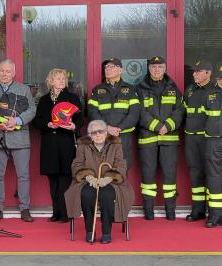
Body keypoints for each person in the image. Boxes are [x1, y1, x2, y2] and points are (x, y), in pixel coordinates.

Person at [65, 120, 134, 244]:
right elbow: (76, 164)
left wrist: (108, 178)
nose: (97, 135)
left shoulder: (116, 144)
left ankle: (106, 232)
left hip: (111, 182)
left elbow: (121, 164)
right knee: (87, 195)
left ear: (106, 132)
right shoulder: (83, 145)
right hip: (88, 181)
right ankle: (90, 231)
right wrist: (88, 177)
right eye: (93, 132)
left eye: (100, 131)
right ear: (90, 135)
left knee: (106, 195)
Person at [0, 59, 36, 222]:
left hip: (20, 138)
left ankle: (25, 208)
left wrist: (17, 121)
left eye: (7, 71)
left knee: (23, 175)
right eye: (1, 71)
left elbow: (32, 110)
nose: (4, 74)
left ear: (14, 73)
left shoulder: (24, 89)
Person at [136, 56, 185, 221]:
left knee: (170, 176)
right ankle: (148, 211)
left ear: (165, 68)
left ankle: (170, 210)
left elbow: (180, 111)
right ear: (149, 69)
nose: (156, 69)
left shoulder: (173, 88)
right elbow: (139, 112)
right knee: (148, 177)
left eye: (160, 67)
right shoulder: (140, 89)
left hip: (169, 139)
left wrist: (168, 126)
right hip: (148, 139)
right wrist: (157, 126)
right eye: (153, 67)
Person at [32, 68, 83, 223]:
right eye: (58, 78)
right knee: (52, 180)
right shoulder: (44, 100)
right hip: (49, 146)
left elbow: (80, 119)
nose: (61, 81)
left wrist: (74, 126)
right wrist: (47, 124)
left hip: (66, 143)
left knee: (65, 180)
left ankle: (65, 213)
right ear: (51, 81)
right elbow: (37, 121)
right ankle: (56, 212)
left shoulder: (72, 98)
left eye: (63, 78)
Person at [88, 58, 140, 170]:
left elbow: (134, 113)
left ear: (120, 70)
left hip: (123, 136)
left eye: (111, 66)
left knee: (122, 168)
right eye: (106, 67)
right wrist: (107, 128)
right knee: (103, 168)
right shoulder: (97, 90)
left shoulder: (130, 89)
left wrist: (119, 128)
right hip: (102, 136)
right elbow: (92, 112)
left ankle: (120, 188)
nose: (107, 69)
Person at [183, 61, 212, 222]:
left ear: (208, 73)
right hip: (191, 138)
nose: (194, 74)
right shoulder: (190, 90)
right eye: (194, 71)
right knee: (195, 174)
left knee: (212, 174)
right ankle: (198, 209)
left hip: (208, 139)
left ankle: (214, 211)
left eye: (198, 71)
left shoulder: (215, 91)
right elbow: (183, 112)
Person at [201, 66, 222, 228]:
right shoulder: (210, 94)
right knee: (214, 178)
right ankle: (215, 215)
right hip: (213, 141)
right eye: (220, 78)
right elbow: (201, 118)